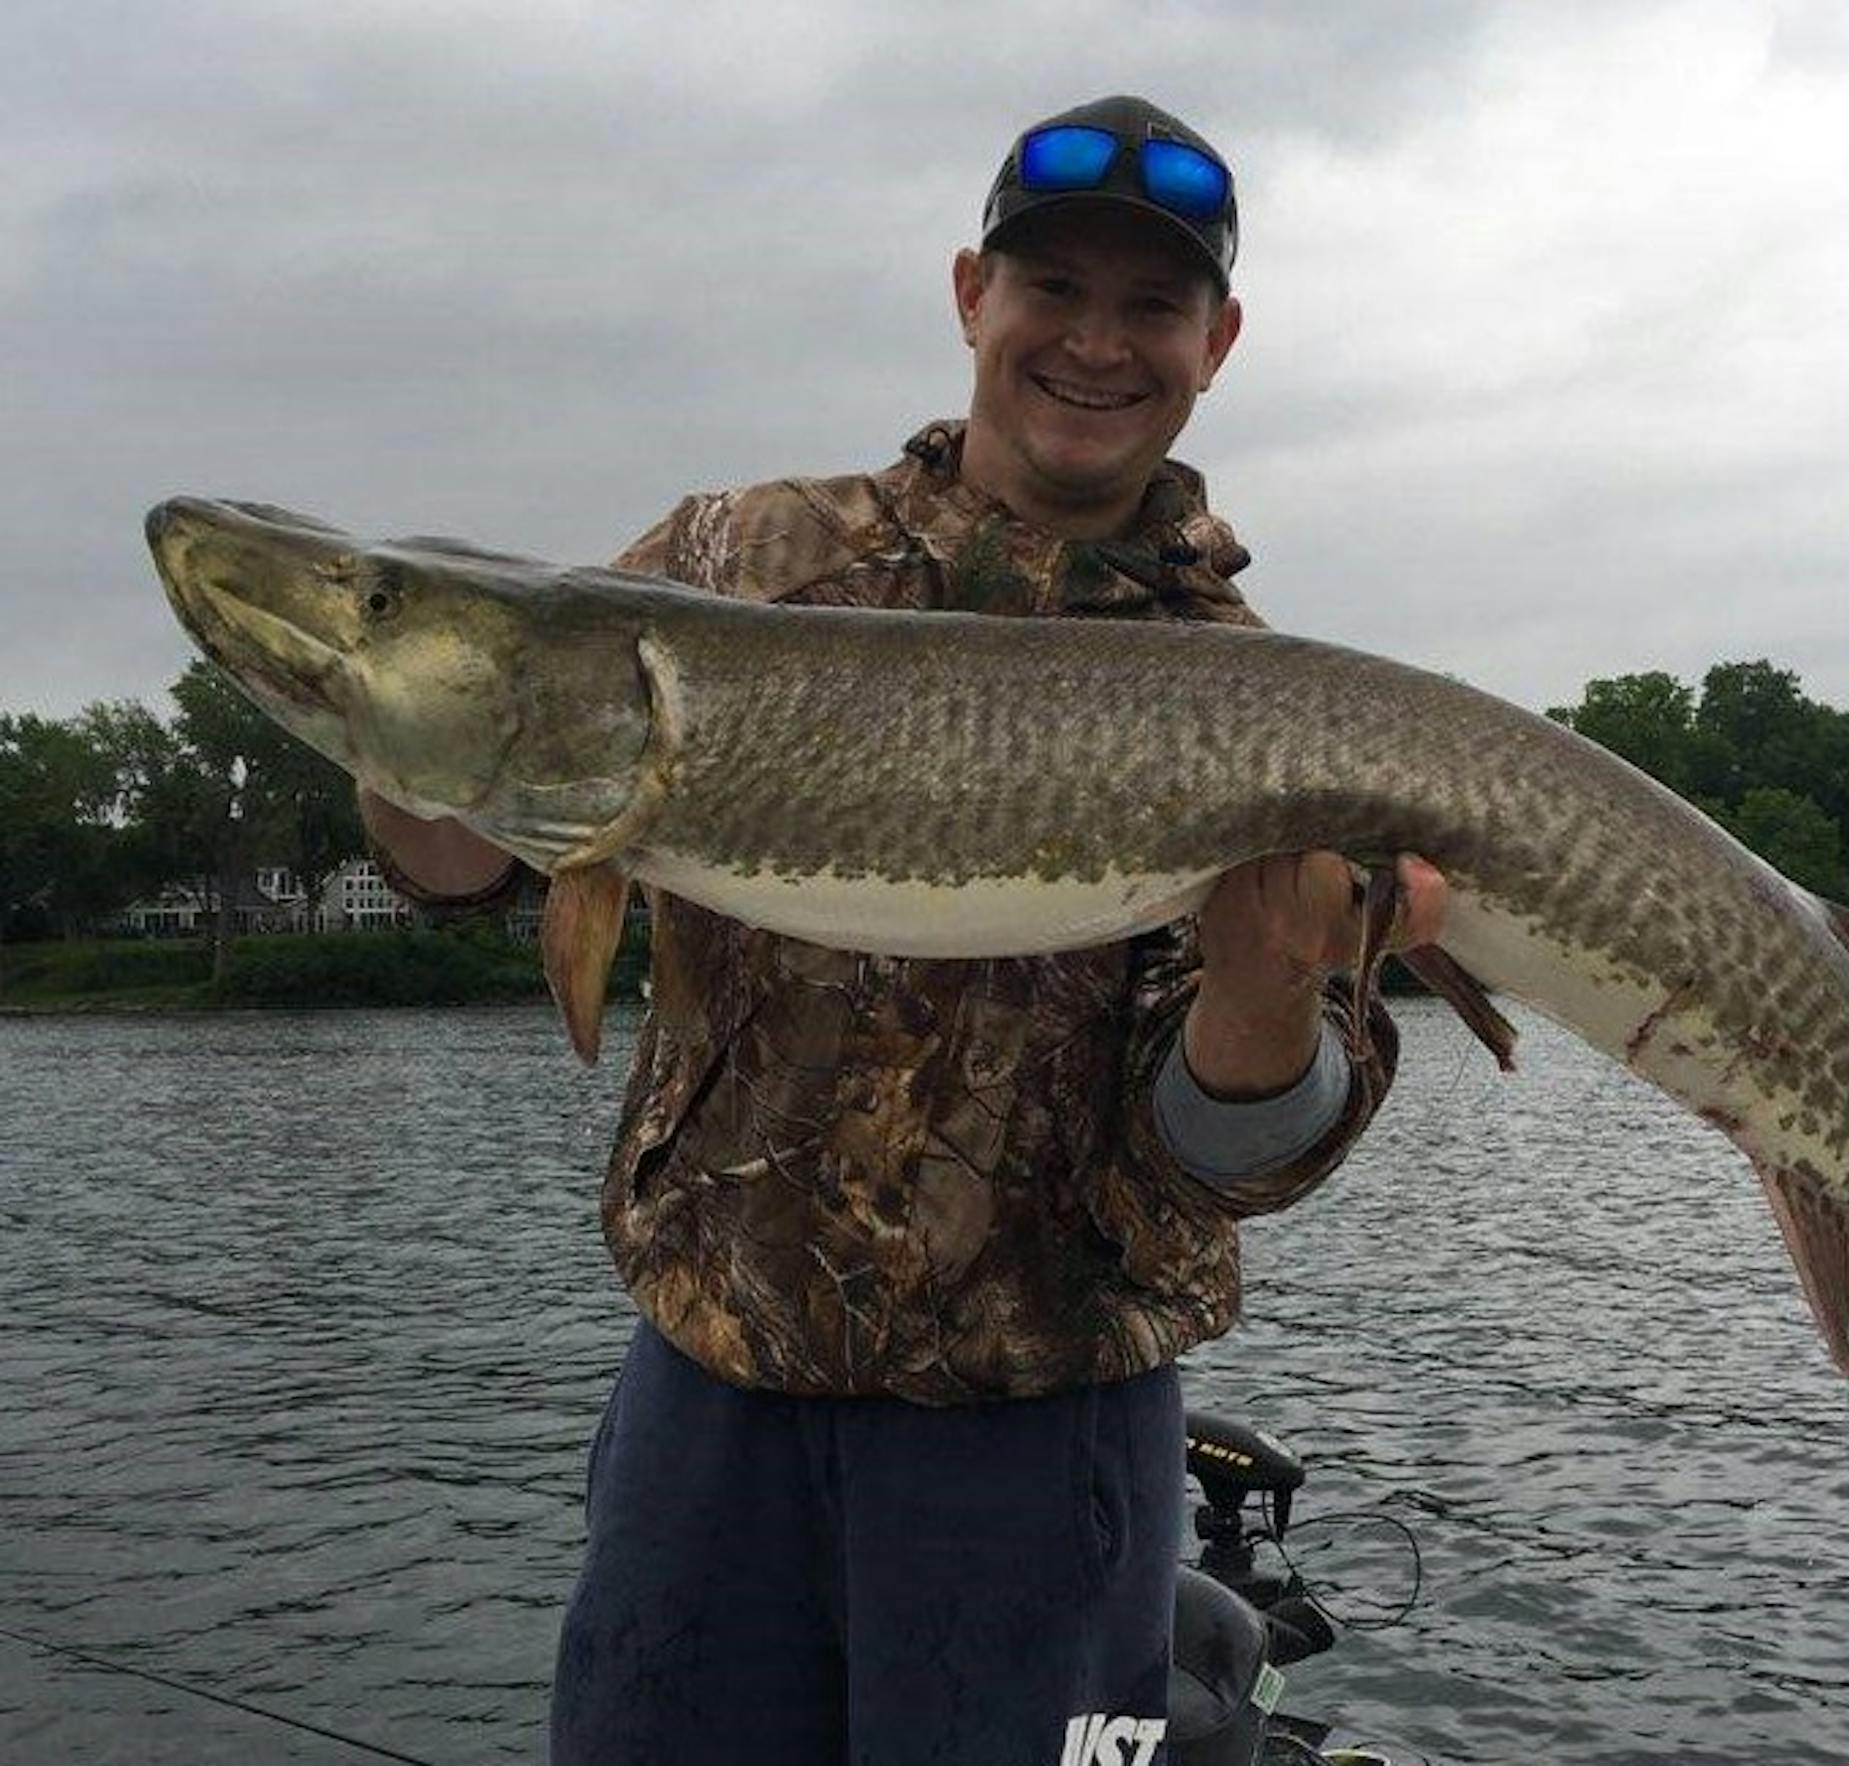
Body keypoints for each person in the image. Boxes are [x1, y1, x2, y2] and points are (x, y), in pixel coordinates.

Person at [363, 93, 1446, 1766]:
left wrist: (1263, 987)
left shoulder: (1258, 696)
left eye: (1150, 306)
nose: (1095, 342)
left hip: (1045, 1445)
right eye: (1051, 291)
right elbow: (473, 868)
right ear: (969, 296)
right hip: (709, 1399)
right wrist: (394, 724)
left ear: (1216, 343)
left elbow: (1239, 1153)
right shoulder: (734, 562)